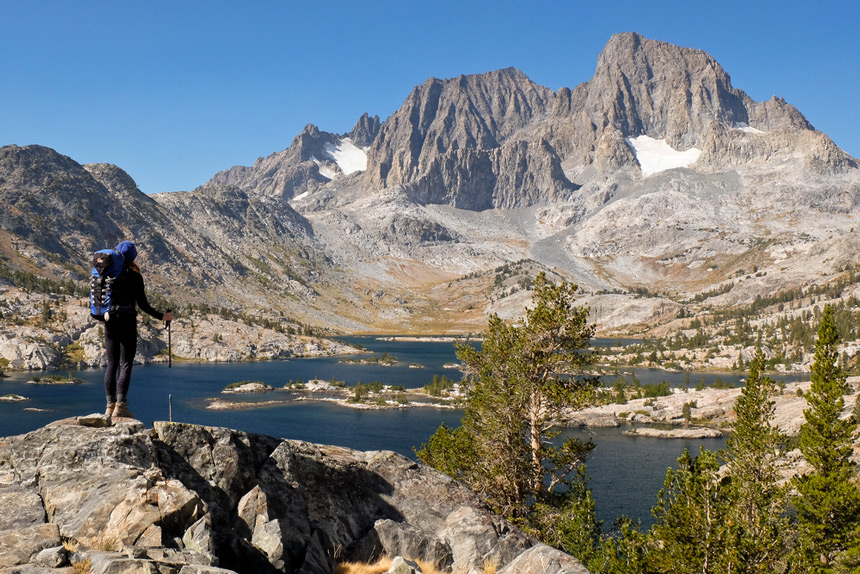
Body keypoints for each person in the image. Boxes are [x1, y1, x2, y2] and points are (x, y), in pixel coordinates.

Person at [100, 240, 173, 418]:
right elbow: (143, 305)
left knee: (111, 364)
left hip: (109, 321)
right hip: (127, 322)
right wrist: (163, 316)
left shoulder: (107, 273)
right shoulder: (135, 277)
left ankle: (109, 407)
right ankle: (121, 406)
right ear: (133, 258)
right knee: (125, 364)